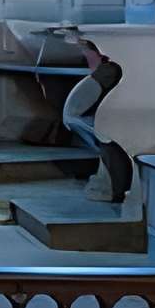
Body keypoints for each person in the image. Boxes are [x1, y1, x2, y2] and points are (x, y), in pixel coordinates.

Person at [59, 37, 134, 203]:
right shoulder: (106, 70)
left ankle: (114, 189)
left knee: (108, 144)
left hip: (93, 119)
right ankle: (112, 187)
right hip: (81, 117)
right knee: (106, 145)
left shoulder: (110, 70)